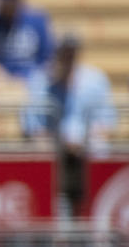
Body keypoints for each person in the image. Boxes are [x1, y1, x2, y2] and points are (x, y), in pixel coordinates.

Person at [26, 34, 117, 220]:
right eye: (65, 52)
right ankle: (52, 219)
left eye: (72, 52)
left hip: (87, 147)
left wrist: (82, 140)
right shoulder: (40, 82)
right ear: (56, 53)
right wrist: (60, 142)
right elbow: (33, 126)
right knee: (42, 154)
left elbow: (107, 122)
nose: (69, 57)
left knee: (99, 149)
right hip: (54, 148)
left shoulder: (95, 80)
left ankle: (94, 217)